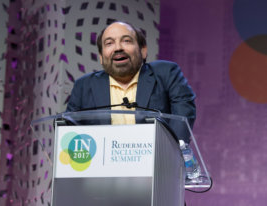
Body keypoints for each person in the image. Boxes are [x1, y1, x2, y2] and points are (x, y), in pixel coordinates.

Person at [66, 21, 196, 141]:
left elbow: (183, 116)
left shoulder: (167, 73)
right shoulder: (83, 86)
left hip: (158, 162)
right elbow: (68, 132)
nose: (118, 48)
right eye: (109, 43)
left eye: (126, 41)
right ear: (101, 57)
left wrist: (168, 153)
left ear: (143, 50)